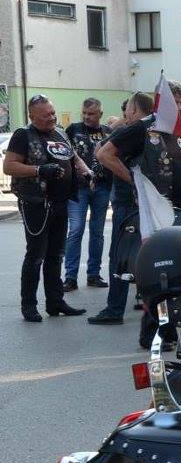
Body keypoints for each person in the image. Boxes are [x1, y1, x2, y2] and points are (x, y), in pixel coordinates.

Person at [92, 87, 181, 342]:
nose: (180, 106)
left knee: (171, 271)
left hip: (174, 211)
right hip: (147, 212)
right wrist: (137, 183)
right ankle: (154, 330)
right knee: (154, 269)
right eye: (175, 101)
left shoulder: (176, 128)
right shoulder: (142, 127)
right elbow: (104, 154)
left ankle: (166, 329)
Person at [3, 94, 91, 321]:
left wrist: (86, 171)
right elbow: (9, 166)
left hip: (60, 202)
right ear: (32, 116)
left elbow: (74, 158)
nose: (51, 118)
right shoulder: (23, 135)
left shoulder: (60, 133)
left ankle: (55, 302)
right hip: (36, 203)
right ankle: (29, 306)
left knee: (55, 255)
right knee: (35, 255)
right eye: (45, 116)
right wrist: (39, 170)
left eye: (52, 113)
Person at [87, 92, 155, 325]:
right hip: (140, 201)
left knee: (120, 254)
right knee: (143, 253)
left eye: (127, 109)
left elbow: (102, 154)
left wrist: (133, 182)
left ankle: (115, 309)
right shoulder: (152, 128)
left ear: (133, 110)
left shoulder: (134, 128)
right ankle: (145, 304)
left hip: (128, 202)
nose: (125, 113)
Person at [62, 97, 112, 291]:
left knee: (97, 232)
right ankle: (70, 277)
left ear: (100, 114)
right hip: (78, 188)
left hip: (102, 187)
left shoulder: (108, 132)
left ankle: (93, 274)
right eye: (84, 113)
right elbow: (64, 155)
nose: (86, 117)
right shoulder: (73, 129)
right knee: (76, 229)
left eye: (91, 114)